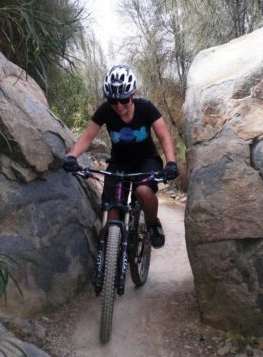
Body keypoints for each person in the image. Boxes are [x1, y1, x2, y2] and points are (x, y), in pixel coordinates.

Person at [62, 64, 178, 248]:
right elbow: (87, 137)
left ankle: (152, 223)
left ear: (132, 94)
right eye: (113, 101)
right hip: (119, 163)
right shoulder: (105, 111)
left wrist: (171, 162)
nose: (119, 106)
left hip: (146, 160)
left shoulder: (146, 108)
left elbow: (164, 136)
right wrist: (71, 156)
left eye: (124, 100)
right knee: (113, 206)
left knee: (143, 191)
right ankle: (112, 258)